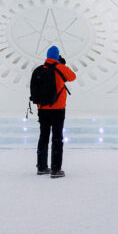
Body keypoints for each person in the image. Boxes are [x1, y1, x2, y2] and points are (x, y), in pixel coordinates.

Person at [36, 45, 76, 178]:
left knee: (43, 137)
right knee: (57, 138)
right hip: (58, 109)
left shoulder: (40, 69)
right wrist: (61, 63)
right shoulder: (60, 67)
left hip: (42, 109)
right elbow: (72, 77)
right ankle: (55, 169)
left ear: (47, 56)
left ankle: (41, 167)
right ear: (57, 56)